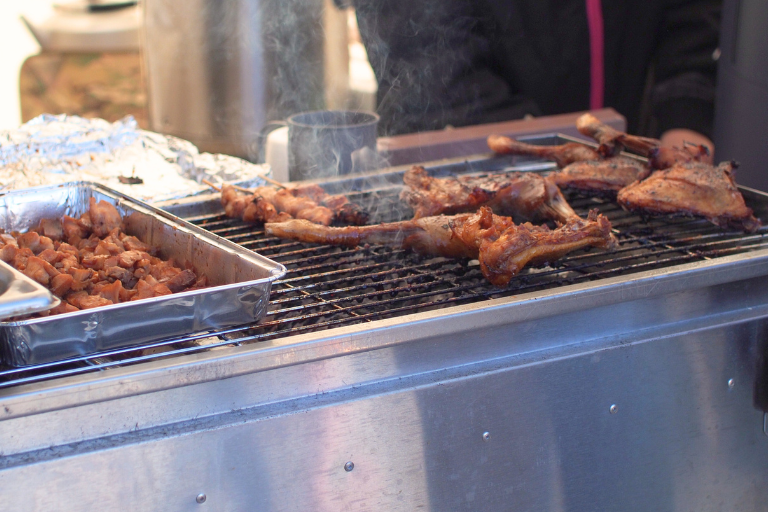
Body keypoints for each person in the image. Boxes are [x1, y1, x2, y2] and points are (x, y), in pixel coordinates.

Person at [350, 0, 720, 157]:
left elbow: (690, 22)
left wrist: (686, 116)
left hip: (616, 162)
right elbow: (426, 58)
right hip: (467, 155)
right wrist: (540, 157)